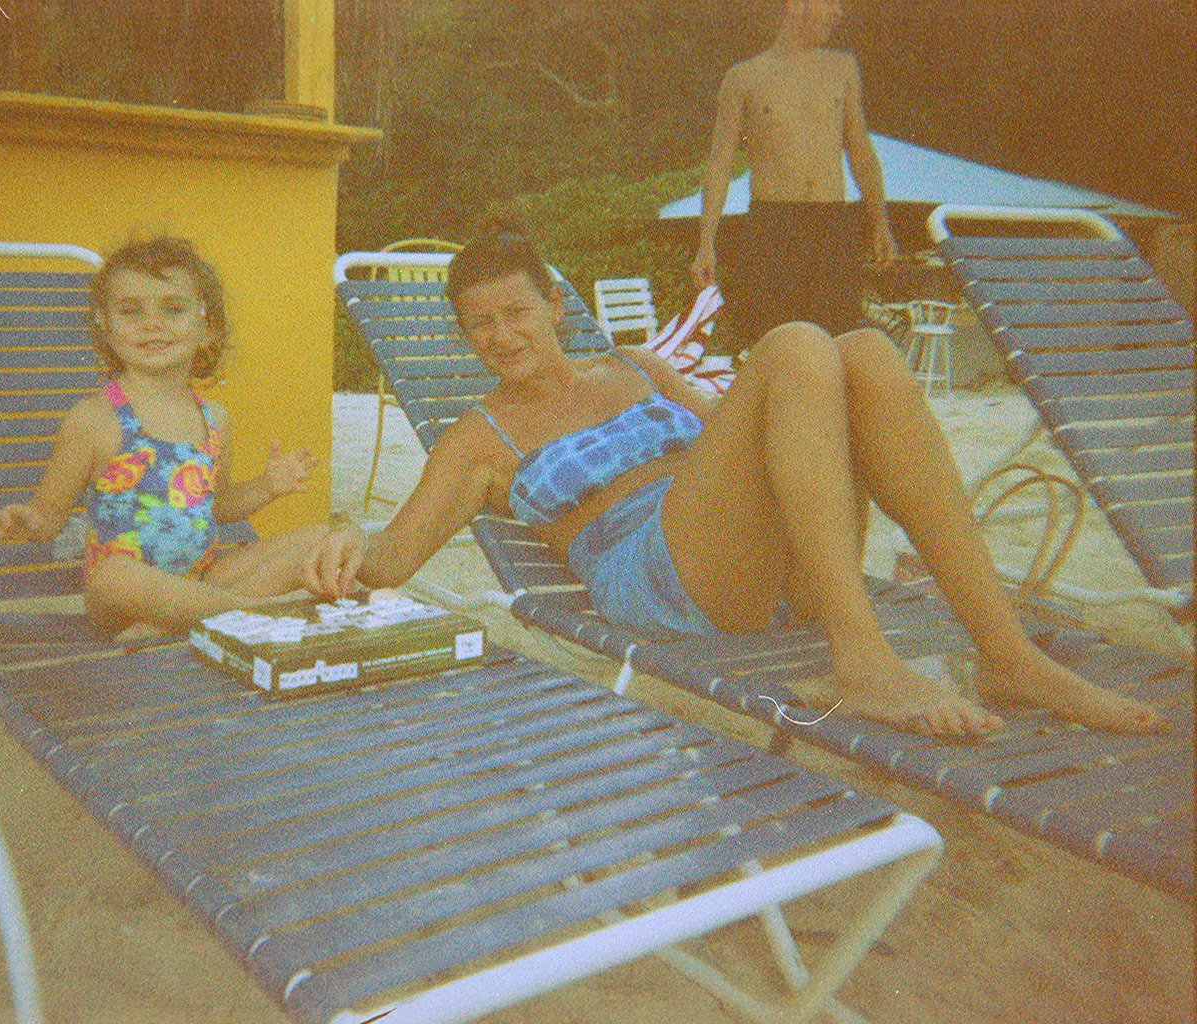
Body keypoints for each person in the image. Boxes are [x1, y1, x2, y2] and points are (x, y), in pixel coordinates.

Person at [303, 216, 1167, 741]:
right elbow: (396, 557)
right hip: (656, 577)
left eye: (517, 310)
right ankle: (862, 657)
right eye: (479, 324)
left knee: (861, 351)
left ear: (557, 306)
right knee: (796, 341)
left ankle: (1008, 654)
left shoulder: (638, 364)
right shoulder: (476, 437)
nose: (501, 335)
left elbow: (757, 440)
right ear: (464, 336)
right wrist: (341, 545)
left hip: (767, 559)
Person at [0, 234, 329, 632]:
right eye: (130, 311)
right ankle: (250, 620)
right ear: (106, 328)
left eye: (173, 309)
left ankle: (181, 625)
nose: (152, 324)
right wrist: (29, 521)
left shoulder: (215, 419)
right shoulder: (94, 419)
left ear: (207, 327)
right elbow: (51, 513)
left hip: (199, 582)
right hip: (124, 597)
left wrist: (268, 485)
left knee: (315, 538)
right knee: (115, 575)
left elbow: (215, 507)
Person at [690, 0, 897, 343]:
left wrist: (880, 223)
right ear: (796, 5)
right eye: (830, 2)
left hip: (833, 225)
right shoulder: (744, 77)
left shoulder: (842, 68)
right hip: (773, 226)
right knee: (775, 343)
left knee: (840, 342)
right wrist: (706, 243)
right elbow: (720, 163)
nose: (838, 12)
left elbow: (861, 152)